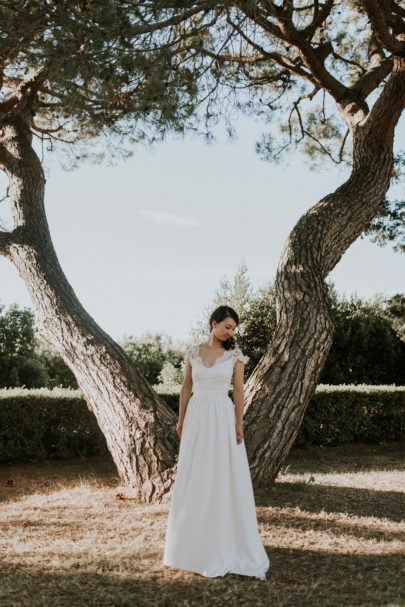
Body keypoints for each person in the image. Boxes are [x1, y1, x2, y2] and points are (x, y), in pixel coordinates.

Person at [163, 305, 270, 580]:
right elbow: (186, 387)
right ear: (213, 323)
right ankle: (189, 545)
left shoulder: (235, 355)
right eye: (227, 326)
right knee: (194, 473)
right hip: (197, 414)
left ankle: (222, 541)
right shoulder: (193, 352)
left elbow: (237, 390)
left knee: (220, 474)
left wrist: (238, 422)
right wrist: (181, 419)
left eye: (233, 328)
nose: (230, 332)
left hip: (222, 416)